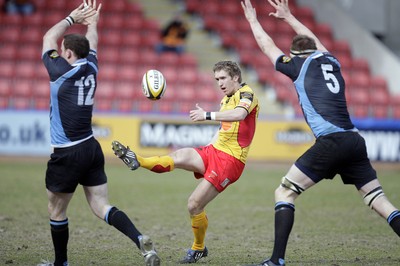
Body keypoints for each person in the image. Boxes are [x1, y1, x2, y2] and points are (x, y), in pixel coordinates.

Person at [241, 0, 400, 265]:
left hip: (331, 141)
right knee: (379, 200)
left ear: (296, 55)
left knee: (284, 193)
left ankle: (276, 260)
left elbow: (268, 47)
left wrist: (253, 21)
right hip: (354, 140)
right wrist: (289, 17)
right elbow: (313, 41)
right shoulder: (331, 60)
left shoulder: (297, 66)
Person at [39, 1, 160, 265]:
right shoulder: (92, 65)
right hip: (91, 148)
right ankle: (140, 240)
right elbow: (92, 40)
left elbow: (48, 36)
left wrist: (73, 17)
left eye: (62, 51)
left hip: (67, 152)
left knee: (56, 209)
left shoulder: (60, 71)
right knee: (100, 204)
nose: (59, 52)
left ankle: (61, 263)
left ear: (68, 53)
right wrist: (93, 20)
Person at [112, 60, 259, 263]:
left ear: (235, 77)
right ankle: (137, 159)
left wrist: (206, 115)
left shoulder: (246, 93)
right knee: (179, 156)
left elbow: (240, 114)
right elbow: (222, 130)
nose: (220, 83)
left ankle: (199, 248)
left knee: (194, 205)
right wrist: (207, 149)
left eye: (223, 78)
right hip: (214, 151)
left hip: (231, 161)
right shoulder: (226, 99)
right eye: (217, 79)